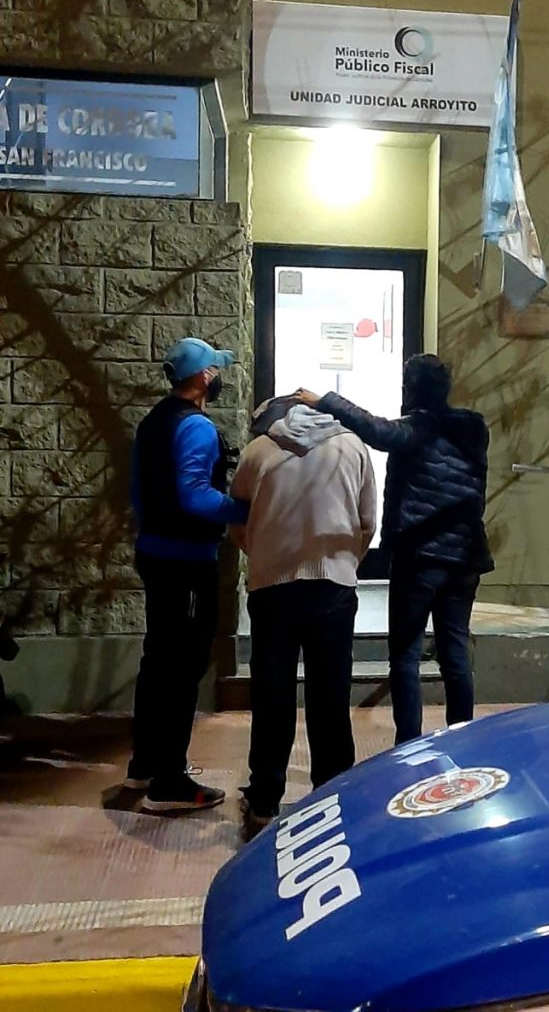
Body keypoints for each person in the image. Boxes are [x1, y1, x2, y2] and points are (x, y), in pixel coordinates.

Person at [294, 354, 493, 745]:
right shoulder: (473, 429)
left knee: (405, 654)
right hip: (465, 555)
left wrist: (326, 401)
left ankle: (408, 745)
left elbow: (378, 431)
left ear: (411, 389)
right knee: (455, 650)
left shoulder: (419, 429)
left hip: (420, 556)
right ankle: (463, 738)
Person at [229, 397, 376, 836]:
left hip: (272, 587)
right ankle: (332, 795)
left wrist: (263, 555)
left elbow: (238, 521)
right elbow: (367, 522)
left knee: (271, 696)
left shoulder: (258, 451)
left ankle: (263, 800)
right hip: (333, 586)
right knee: (330, 696)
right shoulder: (352, 447)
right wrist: (345, 564)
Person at [128, 338, 249, 814]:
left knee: (158, 658)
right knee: (183, 666)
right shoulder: (196, 426)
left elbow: (139, 493)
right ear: (203, 377)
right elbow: (195, 495)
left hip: (155, 553)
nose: (219, 376)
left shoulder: (153, 421)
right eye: (216, 369)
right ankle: (170, 782)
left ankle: (145, 763)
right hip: (186, 562)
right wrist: (245, 510)